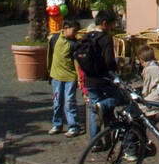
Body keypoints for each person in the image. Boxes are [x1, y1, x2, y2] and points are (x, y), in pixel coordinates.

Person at [76, 8, 122, 138]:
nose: (113, 27)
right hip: (103, 79)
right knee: (119, 97)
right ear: (104, 23)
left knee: (93, 109)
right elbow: (109, 61)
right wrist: (116, 66)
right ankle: (102, 105)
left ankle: (94, 142)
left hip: (89, 79)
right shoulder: (105, 38)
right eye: (112, 24)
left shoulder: (86, 37)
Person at [47, 18, 82, 137]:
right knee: (57, 102)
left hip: (70, 78)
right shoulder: (54, 39)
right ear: (66, 28)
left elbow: (77, 63)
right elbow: (50, 55)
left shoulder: (74, 44)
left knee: (69, 103)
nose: (75, 33)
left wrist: (78, 79)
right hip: (56, 77)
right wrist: (48, 71)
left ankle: (73, 126)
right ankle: (57, 124)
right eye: (74, 31)